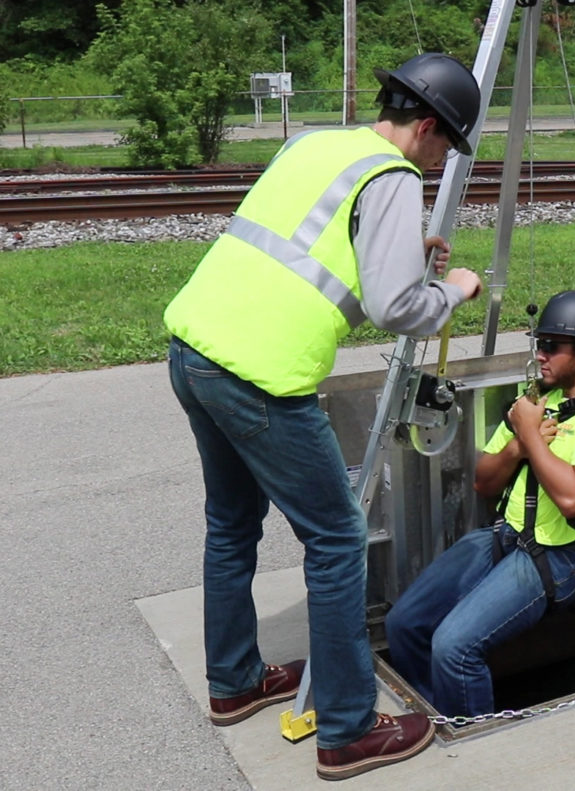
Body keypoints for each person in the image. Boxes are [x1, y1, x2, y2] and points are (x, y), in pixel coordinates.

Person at [164, 52, 483, 782]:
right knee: (338, 541)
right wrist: (455, 289)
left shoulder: (314, 142)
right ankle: (345, 729)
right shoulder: (395, 175)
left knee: (231, 525)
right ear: (428, 127)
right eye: (446, 148)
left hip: (193, 347)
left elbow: (308, 246)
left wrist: (403, 253)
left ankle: (234, 681)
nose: (440, 164)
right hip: (259, 377)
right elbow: (396, 306)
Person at [385, 290, 575, 718]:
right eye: (538, 343)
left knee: (455, 647)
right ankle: (438, 712)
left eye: (550, 346)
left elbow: (572, 499)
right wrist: (517, 448)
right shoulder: (540, 401)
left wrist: (526, 435)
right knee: (403, 623)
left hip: (562, 556)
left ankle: (475, 737)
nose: (539, 355)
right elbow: (483, 482)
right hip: (507, 536)